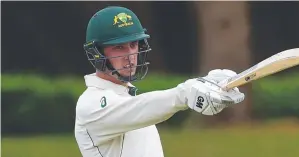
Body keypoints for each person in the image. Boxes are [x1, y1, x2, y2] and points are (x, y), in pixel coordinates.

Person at [74, 6, 245, 157]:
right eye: (119, 47)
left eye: (133, 45)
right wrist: (184, 94)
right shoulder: (91, 105)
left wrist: (208, 82)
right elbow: (142, 107)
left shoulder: (127, 95)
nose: (130, 55)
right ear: (97, 53)